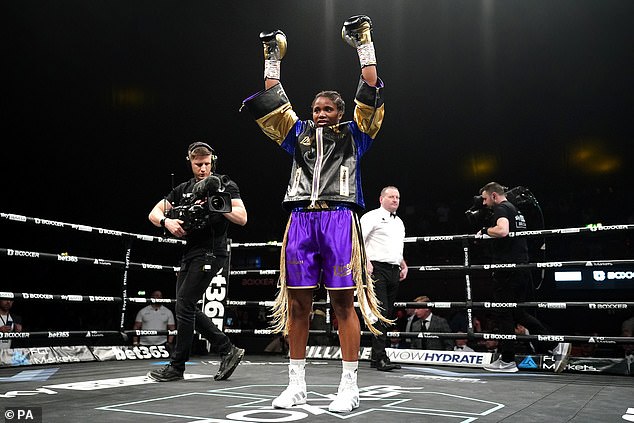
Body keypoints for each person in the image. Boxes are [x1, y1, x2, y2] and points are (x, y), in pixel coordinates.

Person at [242, 15, 388, 413]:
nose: (320, 113)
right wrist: (272, 55)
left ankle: (350, 385)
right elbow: (274, 100)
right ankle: (296, 384)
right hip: (301, 220)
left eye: (327, 108)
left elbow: (371, 90)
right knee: (298, 305)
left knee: (344, 303)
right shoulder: (298, 134)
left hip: (340, 219)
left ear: (339, 111)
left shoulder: (355, 135)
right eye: (315, 108)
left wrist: (364, 44)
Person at [146, 141, 247, 382]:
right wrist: (167, 222)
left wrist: (218, 206)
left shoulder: (224, 184)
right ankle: (227, 349)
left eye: (206, 163)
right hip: (190, 252)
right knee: (184, 306)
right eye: (197, 164)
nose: (202, 168)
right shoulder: (183, 189)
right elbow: (153, 213)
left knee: (185, 304)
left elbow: (242, 218)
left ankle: (178, 366)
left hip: (212, 251)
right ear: (190, 163)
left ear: (213, 161)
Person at [476, 182, 571, 373]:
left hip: (508, 268)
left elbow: (503, 231)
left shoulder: (502, 208)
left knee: (503, 312)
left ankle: (507, 361)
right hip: (521, 266)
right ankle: (555, 345)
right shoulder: (515, 209)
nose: (484, 204)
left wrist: (484, 232)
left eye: (485, 199)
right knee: (518, 313)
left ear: (494, 196)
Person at [360, 186, 408, 371]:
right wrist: (366, 263)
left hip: (393, 269)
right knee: (380, 313)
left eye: (397, 197)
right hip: (376, 269)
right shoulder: (371, 217)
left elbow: (394, 247)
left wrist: (402, 264)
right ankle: (380, 357)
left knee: (387, 315)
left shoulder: (399, 222)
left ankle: (377, 356)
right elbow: (357, 240)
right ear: (381, 199)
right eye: (391, 197)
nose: (395, 200)